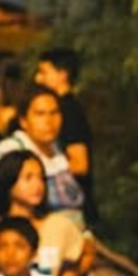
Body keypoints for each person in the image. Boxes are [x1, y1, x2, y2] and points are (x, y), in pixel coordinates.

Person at [0, 148, 91, 276]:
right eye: (28, 178)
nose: (37, 185)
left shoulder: (57, 224)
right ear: (8, 181)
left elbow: (87, 253)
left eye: (41, 178)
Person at [0, 86, 88, 220]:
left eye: (54, 113)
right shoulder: (9, 151)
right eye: (40, 114)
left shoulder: (57, 149)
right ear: (23, 120)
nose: (49, 121)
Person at [35, 47, 94, 220]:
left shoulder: (69, 112)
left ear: (62, 74)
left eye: (44, 72)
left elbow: (80, 164)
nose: (38, 78)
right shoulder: (65, 108)